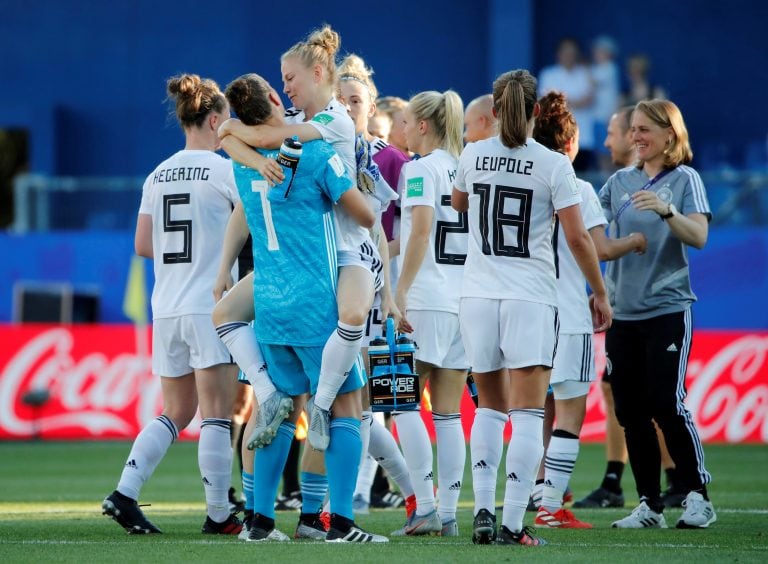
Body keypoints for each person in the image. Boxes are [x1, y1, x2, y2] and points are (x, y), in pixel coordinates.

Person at [215, 72, 386, 543]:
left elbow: (231, 142)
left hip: (270, 305)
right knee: (345, 409)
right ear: (274, 97)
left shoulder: (241, 165)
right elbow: (367, 216)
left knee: (280, 411)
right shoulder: (315, 154)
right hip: (316, 302)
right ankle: (341, 526)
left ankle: (261, 523)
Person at [452, 69, 612, 547]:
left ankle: (482, 510)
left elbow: (459, 204)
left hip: (477, 294)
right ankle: (514, 523)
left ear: (496, 110)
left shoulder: (474, 153)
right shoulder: (553, 165)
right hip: (530, 297)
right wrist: (599, 292)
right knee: (526, 413)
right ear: (536, 111)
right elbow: (578, 237)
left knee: (488, 410)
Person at [102, 74, 242, 535]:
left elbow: (143, 243)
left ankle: (124, 493)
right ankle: (219, 513)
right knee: (216, 413)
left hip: (167, 305)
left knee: (175, 411)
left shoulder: (157, 173)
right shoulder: (224, 171)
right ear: (216, 119)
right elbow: (252, 228)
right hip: (210, 305)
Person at [530, 92, 647, 530]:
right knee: (569, 410)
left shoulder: (522, 183)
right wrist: (632, 244)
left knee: (530, 409)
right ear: (571, 139)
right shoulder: (576, 187)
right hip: (566, 312)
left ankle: (536, 492)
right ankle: (550, 509)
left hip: (525, 309)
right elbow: (595, 247)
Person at [603, 99, 715, 529]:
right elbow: (595, 231)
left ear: (669, 134)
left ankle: (698, 496)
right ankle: (650, 504)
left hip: (668, 308)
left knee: (667, 403)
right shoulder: (619, 182)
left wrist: (667, 211)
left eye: (644, 129)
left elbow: (700, 236)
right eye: (632, 129)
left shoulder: (685, 179)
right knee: (630, 410)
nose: (636, 137)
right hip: (623, 312)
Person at [576, 105, 683, 510]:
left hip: (654, 308)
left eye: (614, 132)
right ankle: (639, 482)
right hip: (624, 306)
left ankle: (661, 480)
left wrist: (632, 245)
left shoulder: (674, 183)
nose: (608, 141)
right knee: (625, 396)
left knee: (654, 398)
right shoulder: (617, 184)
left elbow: (603, 245)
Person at [335, 53, 417, 518]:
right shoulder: (319, 146)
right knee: (347, 400)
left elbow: (380, 234)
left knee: (355, 397)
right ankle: (412, 495)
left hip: (359, 281)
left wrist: (387, 292)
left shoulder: (375, 157)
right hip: (324, 279)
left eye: (356, 101)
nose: (347, 108)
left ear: (370, 108)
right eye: (340, 100)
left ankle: (340, 501)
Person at [390, 89, 469, 537]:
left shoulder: (419, 170)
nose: (400, 129)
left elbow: (421, 232)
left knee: (401, 403)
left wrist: (399, 292)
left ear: (423, 125)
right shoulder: (466, 168)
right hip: (463, 302)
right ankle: (450, 514)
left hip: (425, 299)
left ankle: (424, 508)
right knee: (448, 414)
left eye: (404, 121)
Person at [538, 38, 596, 171]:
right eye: (566, 51)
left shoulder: (585, 73)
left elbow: (589, 99)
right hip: (556, 136)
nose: (569, 55)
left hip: (583, 137)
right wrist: (574, 101)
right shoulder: (548, 74)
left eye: (572, 52)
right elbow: (549, 101)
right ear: (558, 53)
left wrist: (564, 100)